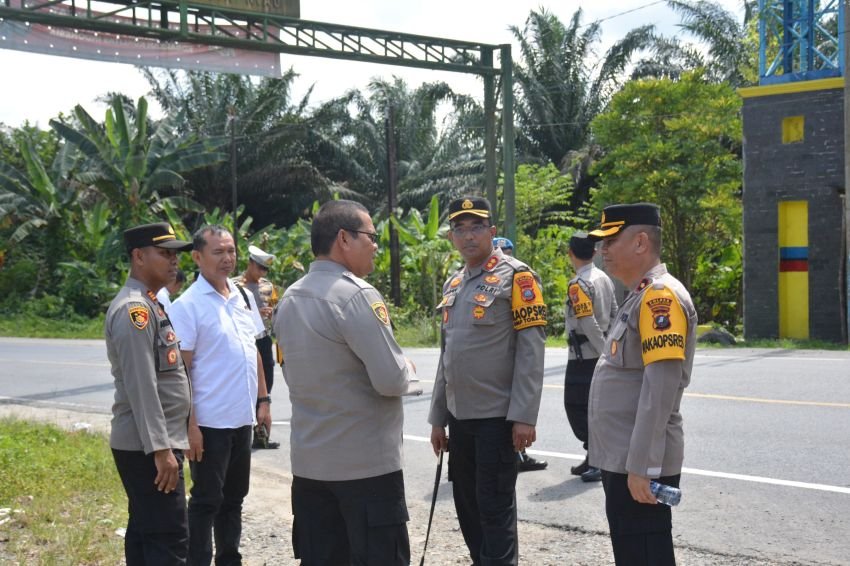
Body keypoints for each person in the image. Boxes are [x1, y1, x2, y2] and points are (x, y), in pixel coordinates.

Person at [274, 199, 421, 565]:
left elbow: (291, 373)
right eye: (370, 236)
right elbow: (390, 379)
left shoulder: (289, 298)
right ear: (344, 238)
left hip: (310, 468)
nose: (375, 245)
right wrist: (408, 367)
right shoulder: (356, 295)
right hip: (365, 470)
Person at [429, 196, 547, 566]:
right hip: (460, 420)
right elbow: (446, 357)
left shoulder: (518, 277)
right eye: (460, 229)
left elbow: (532, 349)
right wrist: (437, 417)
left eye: (476, 227)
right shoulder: (454, 283)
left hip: (498, 418)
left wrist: (525, 415)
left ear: (492, 233)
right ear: (451, 237)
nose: (468, 236)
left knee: (494, 507)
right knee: (467, 507)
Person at [587, 203, 697, 566]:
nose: (603, 250)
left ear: (640, 242)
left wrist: (644, 468)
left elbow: (659, 390)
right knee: (633, 553)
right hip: (624, 459)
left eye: (610, 240)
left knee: (646, 555)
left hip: (638, 463)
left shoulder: (659, 298)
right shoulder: (639, 295)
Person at [168, 225, 272, 566]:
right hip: (209, 423)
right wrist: (191, 426)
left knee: (234, 499)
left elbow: (254, 351)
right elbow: (180, 373)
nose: (227, 259)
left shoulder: (242, 296)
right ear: (197, 257)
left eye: (231, 251)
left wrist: (264, 400)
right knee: (206, 500)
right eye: (218, 252)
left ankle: (230, 559)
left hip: (242, 419)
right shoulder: (188, 305)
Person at [105, 222, 193, 565]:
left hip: (151, 444)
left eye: (175, 254)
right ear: (138, 256)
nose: (174, 261)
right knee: (169, 538)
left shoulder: (149, 303)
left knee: (146, 533)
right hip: (149, 448)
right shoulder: (134, 311)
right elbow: (142, 385)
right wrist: (161, 449)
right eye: (165, 253)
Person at [563, 232, 617, 483]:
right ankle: (592, 457)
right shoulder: (604, 278)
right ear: (594, 252)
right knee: (592, 408)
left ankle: (597, 459)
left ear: (570, 254)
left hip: (585, 356)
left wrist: (603, 351)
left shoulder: (579, 284)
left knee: (577, 408)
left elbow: (587, 321)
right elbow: (616, 312)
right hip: (599, 349)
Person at [492, 235, 547, 473]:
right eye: (501, 250)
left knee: (518, 415)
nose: (506, 254)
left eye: (508, 250)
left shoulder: (522, 276)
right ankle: (518, 456)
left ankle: (520, 454)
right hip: (499, 363)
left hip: (517, 357)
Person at [233, 244, 280, 449]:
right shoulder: (234, 285)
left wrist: (271, 314)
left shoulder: (268, 287)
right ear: (250, 264)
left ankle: (261, 433)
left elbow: (277, 308)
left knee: (266, 383)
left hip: (263, 339)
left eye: (265, 270)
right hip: (243, 338)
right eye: (260, 267)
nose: (262, 273)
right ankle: (248, 429)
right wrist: (254, 315)